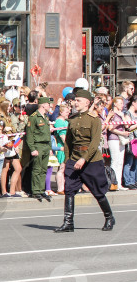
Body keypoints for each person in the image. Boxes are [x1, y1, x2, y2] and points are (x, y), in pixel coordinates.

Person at [55, 89, 115, 232]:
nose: (76, 103)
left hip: (91, 160)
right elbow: (68, 142)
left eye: (78, 100)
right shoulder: (73, 119)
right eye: (75, 100)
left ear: (87, 103)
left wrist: (83, 159)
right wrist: (66, 161)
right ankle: (68, 222)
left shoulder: (94, 120)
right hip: (74, 158)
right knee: (69, 190)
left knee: (97, 191)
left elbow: (94, 144)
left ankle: (109, 217)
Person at [25, 97, 52, 202]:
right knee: (37, 169)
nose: (49, 106)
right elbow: (30, 135)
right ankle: (35, 190)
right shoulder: (34, 117)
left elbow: (47, 134)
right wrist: (32, 148)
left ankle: (41, 189)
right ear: (43, 105)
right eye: (48, 104)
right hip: (38, 145)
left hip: (45, 146)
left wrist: (49, 147)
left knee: (43, 169)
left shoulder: (45, 117)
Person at [106, 96, 129, 190]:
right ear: (114, 103)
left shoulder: (122, 114)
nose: (122, 105)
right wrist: (122, 133)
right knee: (115, 161)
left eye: (122, 103)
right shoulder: (112, 114)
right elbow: (110, 128)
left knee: (120, 161)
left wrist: (123, 116)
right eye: (120, 103)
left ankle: (119, 183)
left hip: (121, 139)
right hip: (113, 138)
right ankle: (113, 183)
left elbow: (127, 125)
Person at [53, 104, 70, 194]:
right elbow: (62, 136)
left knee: (66, 168)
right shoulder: (59, 122)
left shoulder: (66, 121)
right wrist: (68, 146)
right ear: (61, 112)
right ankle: (60, 188)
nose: (69, 113)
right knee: (62, 168)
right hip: (63, 148)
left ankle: (65, 187)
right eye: (67, 112)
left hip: (67, 147)